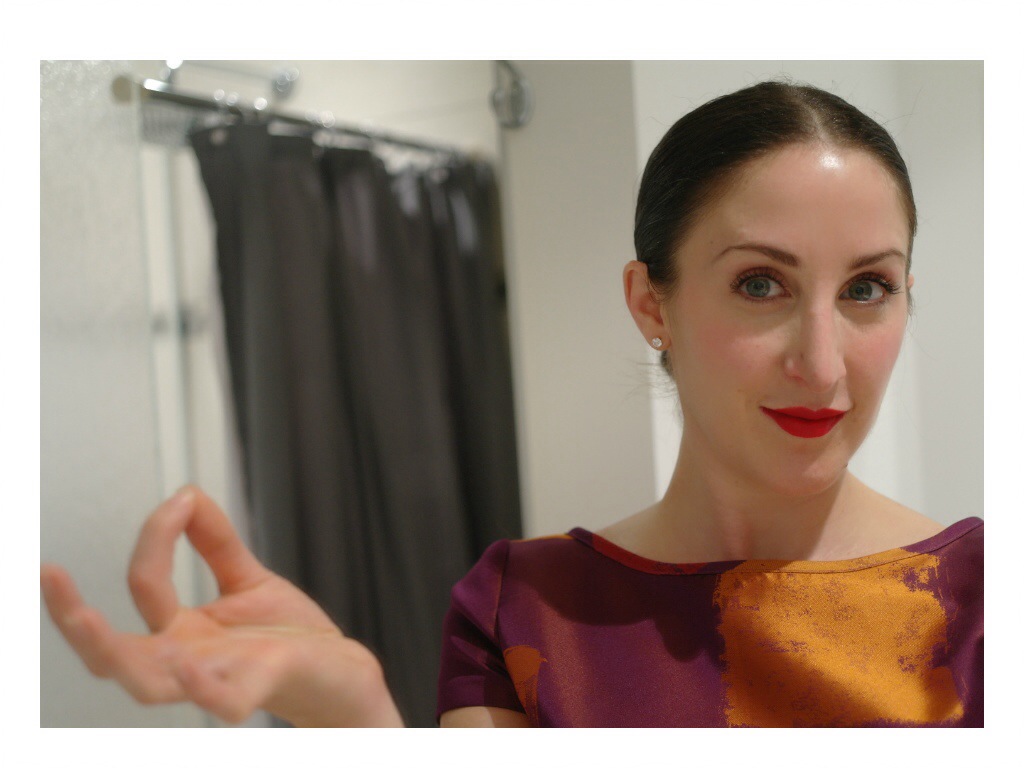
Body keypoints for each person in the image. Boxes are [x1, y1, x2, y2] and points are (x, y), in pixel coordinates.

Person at [40, 80, 983, 728]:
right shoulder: (524, 610)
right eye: (761, 285)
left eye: (867, 289)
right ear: (652, 304)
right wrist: (355, 716)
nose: (823, 364)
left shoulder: (984, 602)